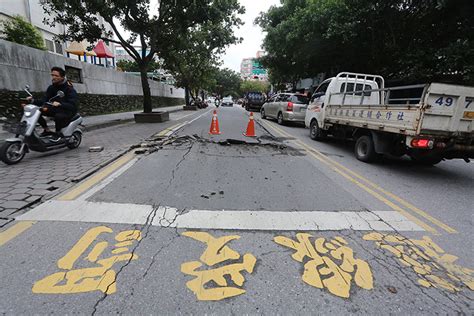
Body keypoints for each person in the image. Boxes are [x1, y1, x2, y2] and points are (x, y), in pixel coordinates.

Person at [27, 67, 78, 136]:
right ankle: (46, 130)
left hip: (67, 110)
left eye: (56, 76)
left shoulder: (69, 89)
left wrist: (60, 104)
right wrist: (33, 100)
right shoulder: (51, 88)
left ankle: (58, 133)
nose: (53, 77)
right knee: (37, 111)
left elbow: (73, 105)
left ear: (62, 77)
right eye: (52, 75)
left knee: (58, 116)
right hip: (55, 108)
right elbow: (44, 100)